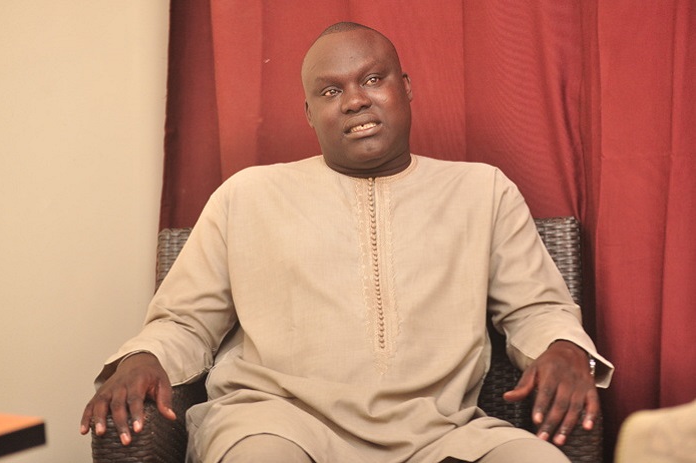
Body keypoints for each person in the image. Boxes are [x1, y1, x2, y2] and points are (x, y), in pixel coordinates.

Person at [81, 22, 613, 463]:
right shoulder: (247, 195)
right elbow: (184, 320)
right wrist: (143, 356)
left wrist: (563, 346)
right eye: (331, 91)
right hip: (278, 424)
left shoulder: (483, 191)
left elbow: (536, 307)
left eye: (373, 79)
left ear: (406, 87)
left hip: (440, 434)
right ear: (310, 113)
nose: (356, 101)